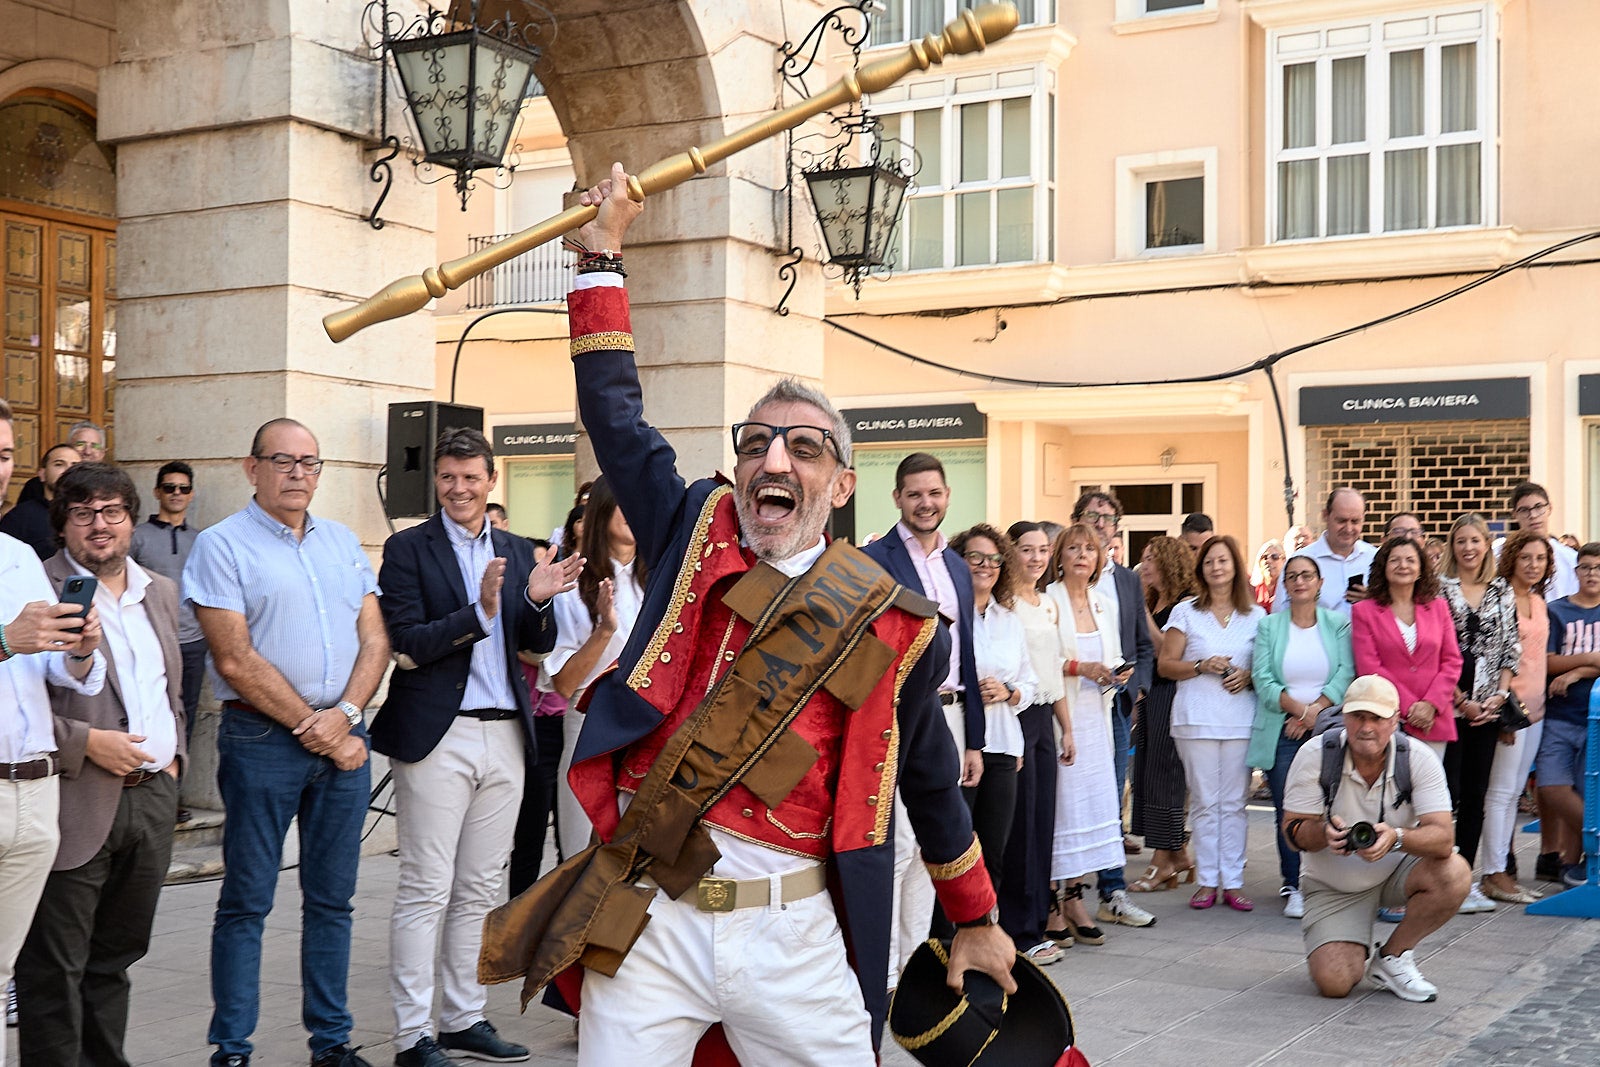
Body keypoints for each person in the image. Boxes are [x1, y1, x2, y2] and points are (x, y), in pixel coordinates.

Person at [518, 164, 1014, 1065]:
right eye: (756, 443)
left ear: (843, 483)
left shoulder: (889, 621)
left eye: (803, 446)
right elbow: (616, 418)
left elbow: (931, 781)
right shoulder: (692, 527)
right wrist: (601, 260)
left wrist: (976, 916)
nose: (773, 458)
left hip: (795, 937)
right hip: (652, 921)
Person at [184, 418, 390, 1067]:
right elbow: (236, 658)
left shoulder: (339, 541)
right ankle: (233, 1048)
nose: (299, 472)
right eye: (283, 460)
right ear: (252, 468)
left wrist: (349, 713)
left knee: (333, 900)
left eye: (310, 461)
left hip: (342, 735)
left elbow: (376, 639)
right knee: (247, 899)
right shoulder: (222, 545)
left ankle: (330, 1043)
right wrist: (322, 730)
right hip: (261, 738)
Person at [372, 427, 578, 1067]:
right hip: (440, 734)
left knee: (482, 888)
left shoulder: (520, 550)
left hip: (506, 735)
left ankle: (463, 1018)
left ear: (493, 482)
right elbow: (407, 641)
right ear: (436, 482)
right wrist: (479, 611)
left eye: (471, 477)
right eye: (448, 478)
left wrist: (536, 601)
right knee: (426, 887)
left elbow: (536, 647)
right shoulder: (408, 549)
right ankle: (412, 1036)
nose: (459, 488)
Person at [18, 462, 184, 1066]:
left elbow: (172, 688)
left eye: (113, 512)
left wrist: (174, 763)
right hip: (75, 797)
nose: (99, 526)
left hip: (153, 800)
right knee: (55, 968)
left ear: (132, 522)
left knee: (116, 959)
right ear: (62, 524)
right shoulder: (30, 590)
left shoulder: (159, 590)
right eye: (83, 514)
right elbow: (16, 710)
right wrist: (88, 742)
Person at [0, 398, 106, 1067]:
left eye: (6, 454)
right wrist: (3, 640)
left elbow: (65, 680)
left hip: (35, 796)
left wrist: (80, 648)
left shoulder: (17, 555)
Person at [1281, 675, 1470, 1002]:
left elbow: (1443, 837)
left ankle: (1394, 956)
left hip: (1397, 871)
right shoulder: (1316, 754)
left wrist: (1396, 838)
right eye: (1357, 716)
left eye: (1377, 718)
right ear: (1344, 717)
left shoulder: (1418, 757)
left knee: (1455, 871)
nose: (1366, 727)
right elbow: (1292, 832)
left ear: (1395, 720)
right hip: (1332, 884)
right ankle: (1347, 939)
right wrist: (1325, 834)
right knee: (1335, 983)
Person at [864, 452, 985, 950]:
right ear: (897, 498)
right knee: (897, 845)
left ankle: (914, 961)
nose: (925, 503)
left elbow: (969, 656)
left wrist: (974, 740)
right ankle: (885, 969)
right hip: (900, 720)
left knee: (932, 846)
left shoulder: (958, 566)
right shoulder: (875, 562)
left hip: (951, 717)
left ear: (947, 496)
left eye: (934, 493)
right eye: (914, 494)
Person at [520, 476, 646, 889]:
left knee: (643, 856)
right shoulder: (573, 583)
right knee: (581, 853)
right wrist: (604, 631)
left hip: (650, 728)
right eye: (624, 503)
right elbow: (564, 684)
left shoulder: (661, 576)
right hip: (589, 724)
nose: (633, 514)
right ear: (601, 512)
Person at [1158, 535, 1264, 911]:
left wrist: (1249, 676)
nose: (1216, 567)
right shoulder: (1186, 611)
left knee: (1234, 802)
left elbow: (1265, 666)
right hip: (1196, 718)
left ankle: (1232, 881)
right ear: (1200, 569)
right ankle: (1206, 880)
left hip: (1239, 719)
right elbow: (1165, 665)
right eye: (1209, 562)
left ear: (1235, 566)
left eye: (1223, 561)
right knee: (1204, 801)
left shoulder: (1256, 615)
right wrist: (1200, 666)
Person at [1248, 554, 1355, 920]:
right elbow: (1262, 678)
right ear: (1285, 585)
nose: (1299, 581)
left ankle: (1326, 882)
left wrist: (1313, 714)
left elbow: (1345, 674)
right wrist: (1297, 711)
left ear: (1320, 583)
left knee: (1331, 806)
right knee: (1289, 809)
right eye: (1291, 576)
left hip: (1326, 728)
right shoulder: (1269, 626)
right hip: (1282, 728)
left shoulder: (1338, 624)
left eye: (1306, 575)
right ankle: (1294, 884)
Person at [1068, 491, 1156, 929]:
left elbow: (1142, 644)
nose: (1100, 524)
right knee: (1067, 799)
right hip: (1067, 706)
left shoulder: (1127, 580)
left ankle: (1112, 891)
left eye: (1107, 518)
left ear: (1116, 529)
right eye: (1091, 517)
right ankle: (1065, 894)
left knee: (1109, 797)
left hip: (1114, 705)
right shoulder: (1059, 579)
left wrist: (1135, 689)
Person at [1043, 524, 1130, 945]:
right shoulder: (1049, 601)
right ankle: (1052, 903)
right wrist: (1082, 668)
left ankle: (1076, 896)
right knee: (1062, 808)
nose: (1082, 555)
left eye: (1090, 549)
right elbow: (1042, 659)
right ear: (1059, 556)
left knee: (1090, 807)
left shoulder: (1102, 602)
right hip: (1063, 716)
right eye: (1073, 548)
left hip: (1098, 715)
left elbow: (1110, 657)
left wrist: (1116, 674)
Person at [949, 525, 1035, 914]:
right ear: (958, 561)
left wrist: (1009, 691)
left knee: (993, 851)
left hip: (1002, 743)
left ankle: (987, 935)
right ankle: (944, 943)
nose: (986, 566)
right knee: (954, 850)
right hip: (957, 742)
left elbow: (1030, 683)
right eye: (975, 558)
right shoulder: (946, 615)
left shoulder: (1009, 619)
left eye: (994, 559)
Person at [1438, 513, 1519, 914]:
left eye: (1475, 540)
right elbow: (1435, 648)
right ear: (1452, 547)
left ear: (1487, 544)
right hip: (1449, 707)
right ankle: (1440, 877)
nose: (1468, 548)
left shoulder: (1502, 590)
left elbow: (1510, 648)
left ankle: (1465, 880)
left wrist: (1499, 697)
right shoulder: (1439, 590)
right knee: (1445, 795)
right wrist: (1458, 698)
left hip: (1487, 710)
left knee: (1475, 797)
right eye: (1460, 541)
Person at [997, 521, 1067, 966]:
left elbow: (1054, 671)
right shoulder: (1005, 606)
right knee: (1019, 826)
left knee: (1043, 822)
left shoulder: (1048, 604)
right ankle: (1019, 931)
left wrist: (1068, 730)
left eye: (1044, 549)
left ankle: (1038, 921)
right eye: (1027, 549)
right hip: (1014, 715)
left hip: (1045, 716)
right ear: (1012, 553)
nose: (1037, 558)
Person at [129, 461, 206, 821]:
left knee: (184, 717)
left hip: (192, 642)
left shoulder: (200, 539)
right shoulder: (137, 536)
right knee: (148, 716)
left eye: (183, 488)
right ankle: (147, 795)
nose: (176, 493)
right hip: (150, 641)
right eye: (169, 487)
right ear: (157, 492)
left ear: (191, 495)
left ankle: (173, 797)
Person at [1479, 530, 1551, 904]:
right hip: (1509, 712)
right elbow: (1492, 658)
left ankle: (1502, 873)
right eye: (1526, 557)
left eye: (1540, 558)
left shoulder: (1539, 601)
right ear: (1511, 559)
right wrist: (1501, 715)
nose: (1533, 565)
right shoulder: (1499, 596)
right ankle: (1493, 874)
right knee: (1501, 794)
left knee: (1513, 794)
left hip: (1537, 712)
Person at [1351, 536, 1463, 759]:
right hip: (1387, 717)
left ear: (1421, 568)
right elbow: (1369, 667)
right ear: (1383, 568)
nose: (1403, 565)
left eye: (1410, 560)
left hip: (1433, 718)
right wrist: (1411, 707)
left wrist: (1431, 704)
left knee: (1427, 790)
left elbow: (1452, 661)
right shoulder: (1364, 611)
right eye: (1395, 560)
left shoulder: (1439, 607)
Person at [1128, 536, 1196, 892]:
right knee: (1148, 776)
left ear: (1170, 562)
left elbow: (1161, 649)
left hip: (1173, 693)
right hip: (1152, 694)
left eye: (1152, 558)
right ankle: (1180, 854)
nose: (1146, 565)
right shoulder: (1157, 600)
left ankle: (1161, 861)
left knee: (1166, 777)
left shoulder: (1186, 603)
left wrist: (1140, 610)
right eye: (1144, 557)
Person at [1537, 541, 1600, 888]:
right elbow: (1546, 662)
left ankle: (1573, 868)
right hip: (1559, 717)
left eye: (1598, 568)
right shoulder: (1556, 610)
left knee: (1585, 790)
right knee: (1551, 786)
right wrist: (1591, 660)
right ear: (1575, 572)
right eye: (1586, 567)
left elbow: (1566, 665)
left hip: (1595, 719)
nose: (1592, 574)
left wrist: (1576, 672)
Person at [1272, 488, 1377, 616]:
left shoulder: (1374, 558)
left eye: (1355, 521)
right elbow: (1279, 614)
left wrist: (1374, 602)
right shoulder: (1300, 561)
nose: (1348, 528)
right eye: (1341, 521)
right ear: (1325, 516)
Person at [1494, 482, 1577, 599]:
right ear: (1514, 514)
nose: (1533, 515)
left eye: (1539, 507)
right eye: (1524, 510)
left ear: (1549, 508)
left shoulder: (1570, 559)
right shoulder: (1497, 553)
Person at [0, 444, 83, 559]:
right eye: (59, 464)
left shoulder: (92, 514)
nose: (68, 470)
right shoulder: (20, 516)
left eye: (75, 466)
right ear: (42, 474)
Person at [1251, 539, 1286, 610]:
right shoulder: (1251, 590)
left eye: (1275, 557)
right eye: (1264, 557)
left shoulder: (1288, 588)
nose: (1268, 561)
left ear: (1284, 560)